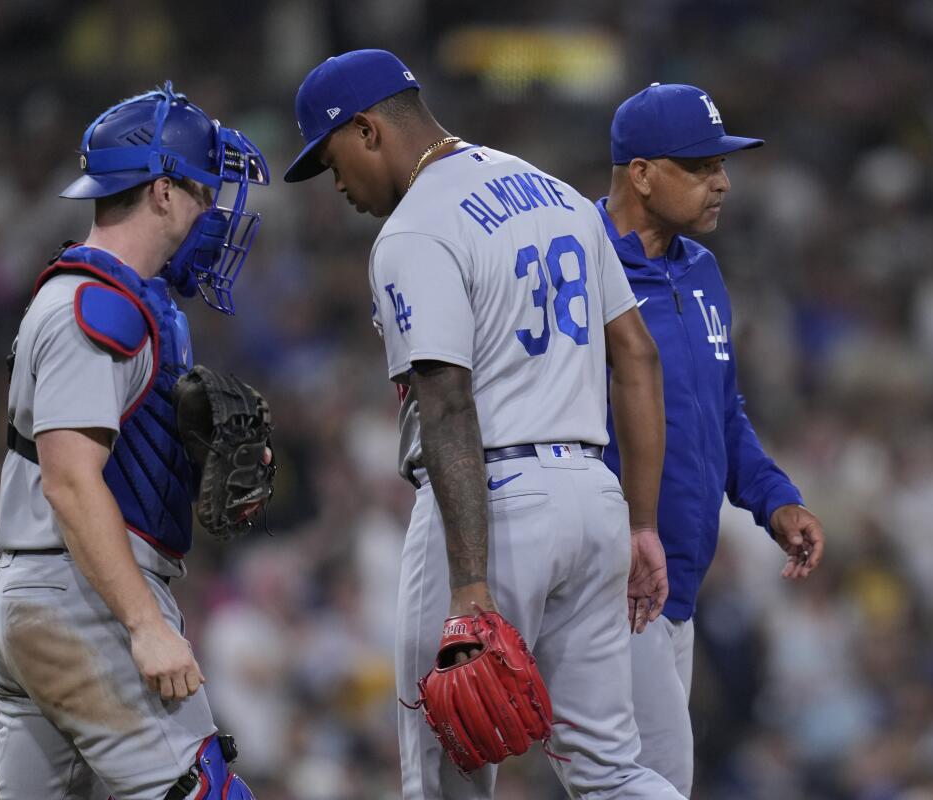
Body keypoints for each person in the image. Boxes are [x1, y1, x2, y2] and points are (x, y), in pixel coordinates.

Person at [284, 50, 685, 799]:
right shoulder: (557, 193)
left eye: (331, 158)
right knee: (611, 772)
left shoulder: (413, 230)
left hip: (491, 509)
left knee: (444, 778)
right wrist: (639, 522)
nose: (334, 184)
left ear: (368, 130)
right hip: (592, 495)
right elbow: (637, 355)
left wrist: (470, 584)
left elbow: (445, 402)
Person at [0, 83, 269, 800]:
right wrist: (144, 623)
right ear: (162, 191)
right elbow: (71, 481)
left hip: (48, 592)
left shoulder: (118, 295)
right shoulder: (96, 305)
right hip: (80, 600)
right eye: (204, 190)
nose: (212, 210)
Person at [596, 82, 827, 796]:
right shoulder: (576, 262)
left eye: (721, 165)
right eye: (700, 166)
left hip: (679, 586)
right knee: (645, 783)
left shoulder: (702, 272)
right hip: (611, 578)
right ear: (641, 173)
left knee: (653, 782)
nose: (722, 182)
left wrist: (774, 500)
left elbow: (723, 415)